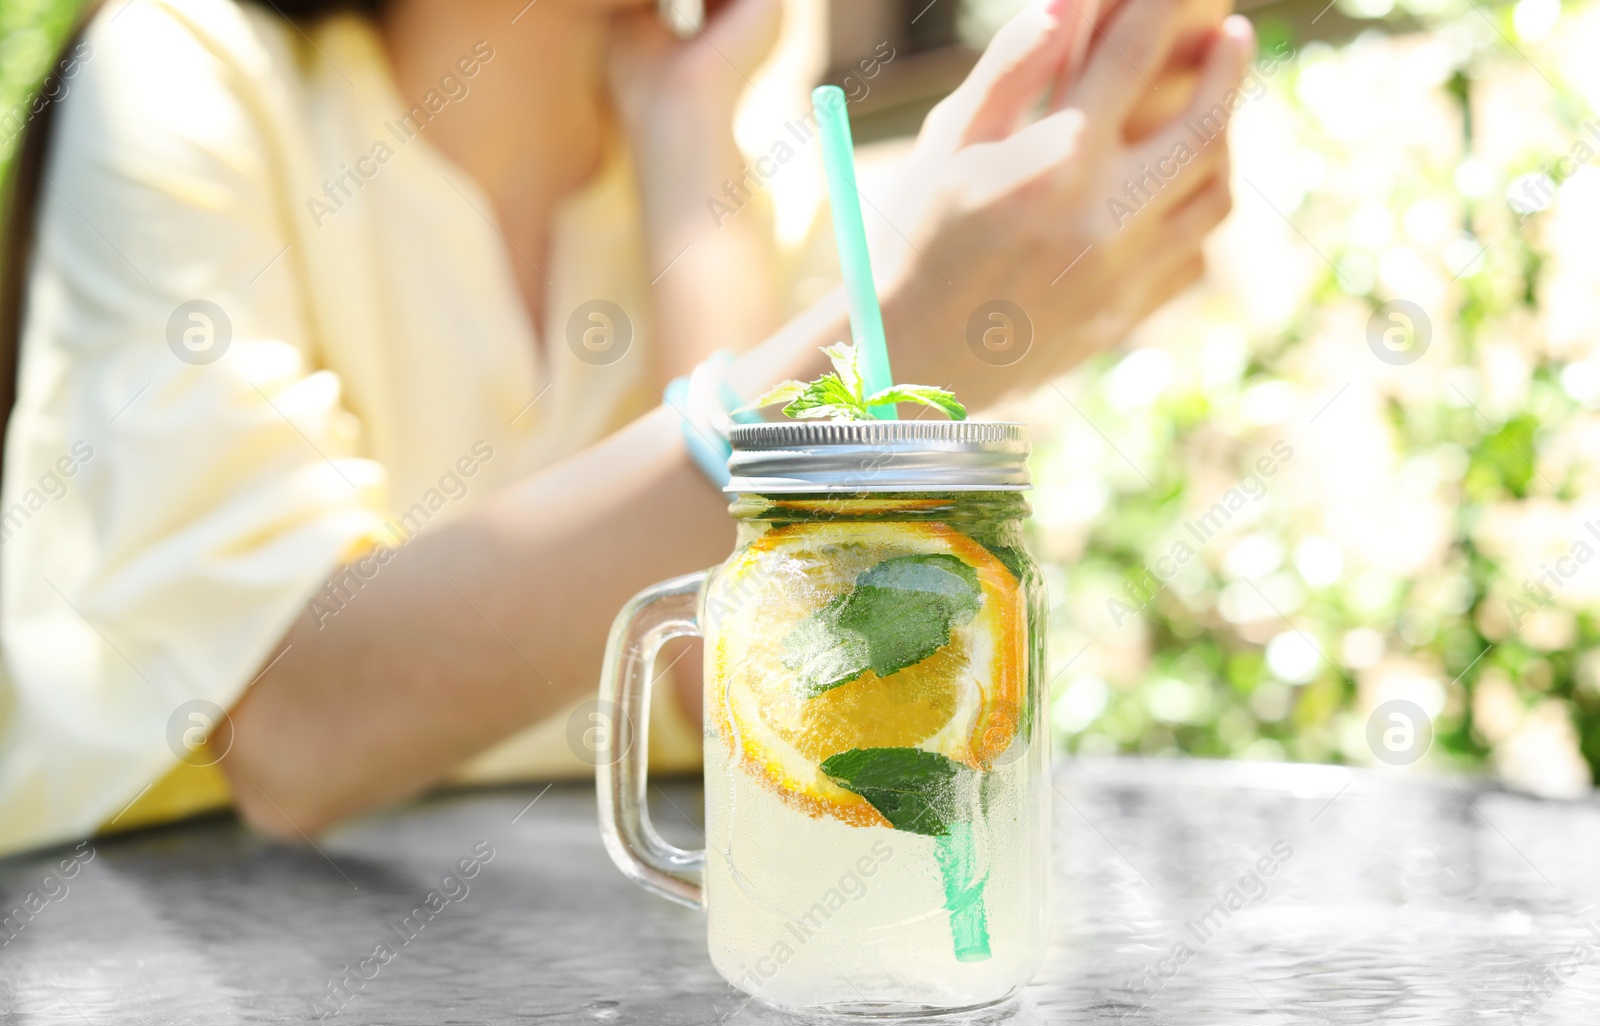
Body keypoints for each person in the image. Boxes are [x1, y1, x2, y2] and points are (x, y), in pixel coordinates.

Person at [0, 0, 1252, 854]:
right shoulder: (188, 62)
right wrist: (895, 346)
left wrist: (687, 167)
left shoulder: (728, 93)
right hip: (143, 952)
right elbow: (292, 724)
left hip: (573, 967)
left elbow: (770, 702)